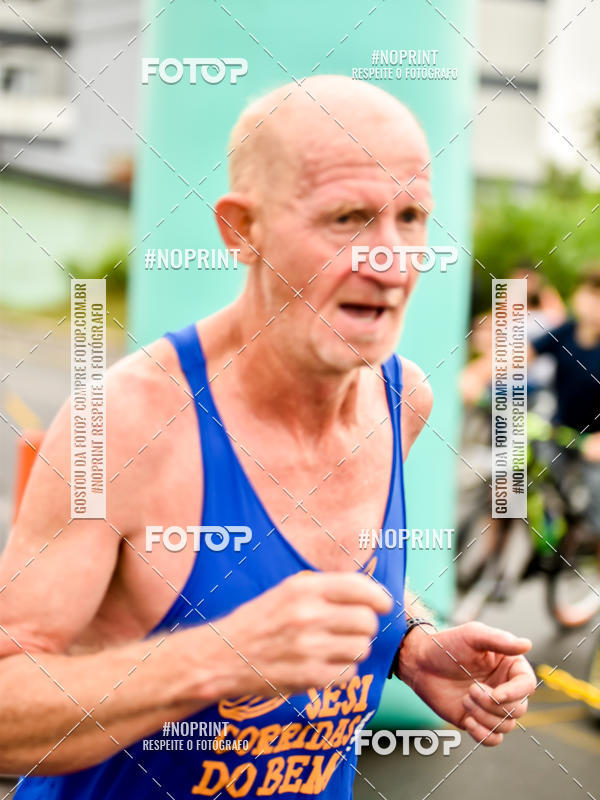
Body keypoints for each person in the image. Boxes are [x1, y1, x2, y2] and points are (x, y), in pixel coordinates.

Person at [0, 76, 535, 799]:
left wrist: (409, 642)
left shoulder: (402, 399)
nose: (390, 262)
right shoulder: (122, 423)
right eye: (347, 218)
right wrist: (217, 660)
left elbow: (327, 574)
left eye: (411, 218)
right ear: (241, 229)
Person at [530, 265, 600, 533]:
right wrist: (477, 375)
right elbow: (520, 354)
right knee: (529, 474)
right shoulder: (566, 332)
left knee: (596, 510)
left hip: (593, 444)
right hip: (560, 432)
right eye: (590, 293)